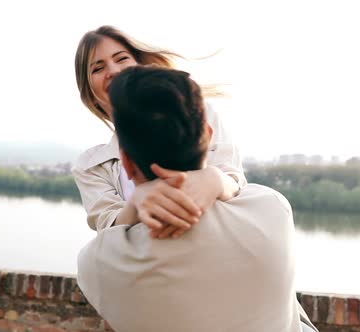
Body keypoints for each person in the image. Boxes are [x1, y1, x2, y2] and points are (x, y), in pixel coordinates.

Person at [77, 66, 317, 332]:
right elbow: (240, 187)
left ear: (126, 162)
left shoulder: (97, 263)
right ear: (209, 135)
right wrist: (217, 177)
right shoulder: (272, 210)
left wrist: (135, 203)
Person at [72, 25, 245, 238]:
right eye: (97, 69)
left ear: (140, 65)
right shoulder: (92, 165)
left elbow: (236, 184)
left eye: (121, 58)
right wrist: (136, 203)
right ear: (90, 93)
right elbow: (107, 226)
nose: (113, 71)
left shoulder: (199, 114)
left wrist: (215, 180)